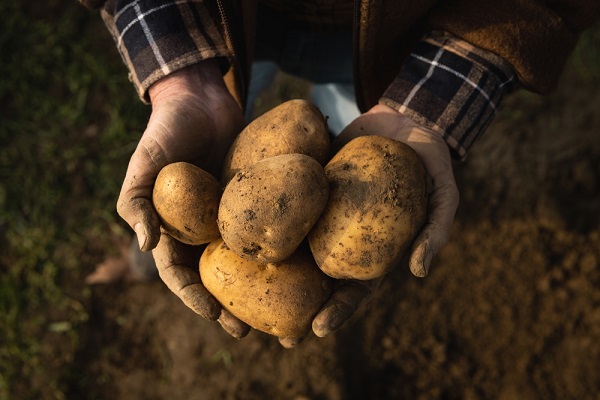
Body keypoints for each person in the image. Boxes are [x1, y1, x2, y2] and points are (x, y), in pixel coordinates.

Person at [80, 0, 599, 347]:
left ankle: (145, 256)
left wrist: (425, 110)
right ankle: (143, 259)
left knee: (344, 124)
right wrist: (181, 77)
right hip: (218, 18)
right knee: (175, 192)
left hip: (400, 39)